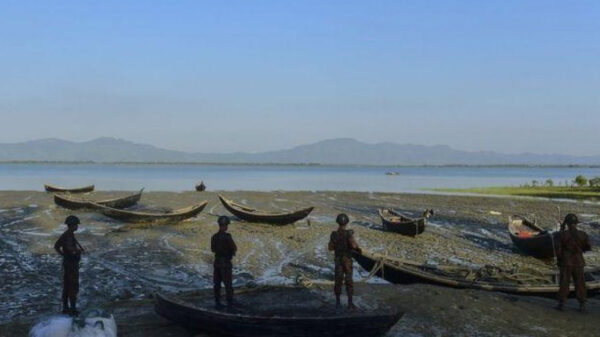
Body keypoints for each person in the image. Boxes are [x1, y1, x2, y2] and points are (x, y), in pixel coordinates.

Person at [556, 213, 591, 312]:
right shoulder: (583, 234)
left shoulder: (562, 234)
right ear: (576, 223)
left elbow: (558, 250)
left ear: (567, 223)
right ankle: (582, 304)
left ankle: (561, 304)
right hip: (579, 262)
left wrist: (559, 261)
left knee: (564, 283)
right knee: (580, 283)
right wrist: (579, 250)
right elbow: (588, 247)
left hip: (566, 262)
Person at [328, 213, 361, 309]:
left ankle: (338, 302)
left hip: (338, 260)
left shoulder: (334, 234)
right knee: (349, 281)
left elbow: (330, 247)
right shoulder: (348, 234)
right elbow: (354, 246)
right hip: (347, 260)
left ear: (338, 222)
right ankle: (350, 303)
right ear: (346, 222)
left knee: (338, 281)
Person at [54, 215, 84, 316]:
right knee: (73, 285)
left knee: (67, 285)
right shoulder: (69, 236)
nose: (77, 226)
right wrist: (77, 251)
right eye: (76, 224)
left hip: (68, 263)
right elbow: (71, 250)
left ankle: (66, 307)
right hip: (71, 264)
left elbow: (56, 246)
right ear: (72, 225)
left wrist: (63, 255)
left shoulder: (66, 235)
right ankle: (73, 308)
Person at [211, 215, 237, 308]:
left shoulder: (214, 237)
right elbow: (234, 248)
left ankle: (217, 302)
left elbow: (213, 249)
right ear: (226, 225)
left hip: (217, 262)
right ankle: (230, 303)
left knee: (217, 284)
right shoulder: (227, 237)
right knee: (228, 285)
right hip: (225, 263)